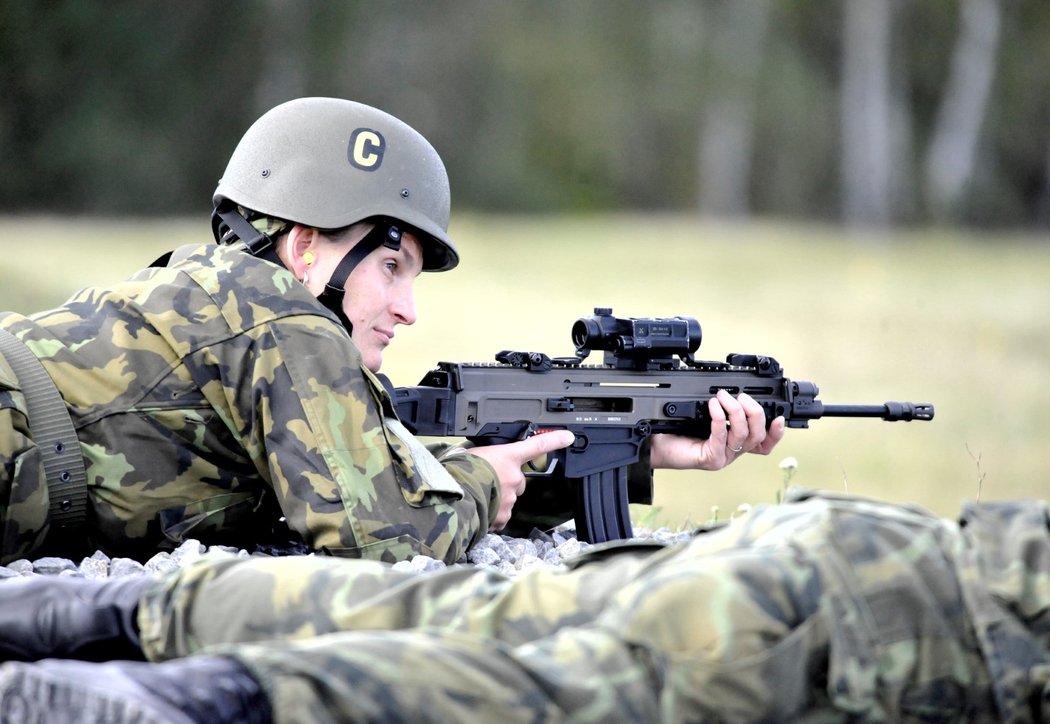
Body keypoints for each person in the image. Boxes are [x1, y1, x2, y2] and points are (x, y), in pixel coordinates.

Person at [0, 97, 784, 566]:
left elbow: (390, 479)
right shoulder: (282, 320)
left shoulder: (226, 299)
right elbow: (381, 534)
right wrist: (482, 479)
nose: (409, 309)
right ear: (306, 247)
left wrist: (634, 448)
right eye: (392, 266)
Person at [1, 488, 1048, 722]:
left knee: (457, 609)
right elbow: (375, 504)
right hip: (892, 628)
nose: (407, 307)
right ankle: (207, 700)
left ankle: (94, 614)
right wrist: (475, 469)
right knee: (535, 690)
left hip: (876, 544)